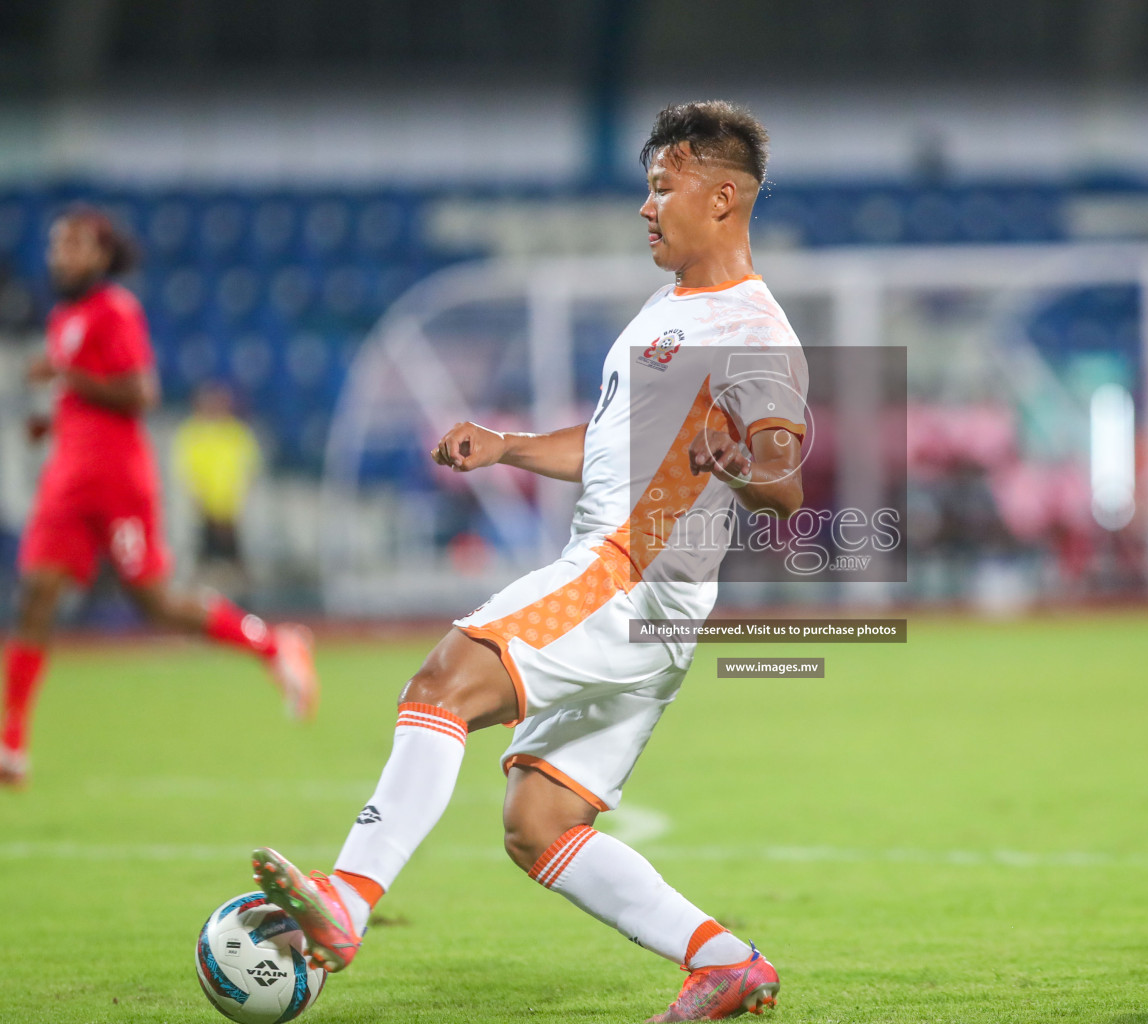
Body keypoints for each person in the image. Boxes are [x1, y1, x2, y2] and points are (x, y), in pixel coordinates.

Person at [250, 101, 806, 1021]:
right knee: (538, 824)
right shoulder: (669, 311)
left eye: (662, 187)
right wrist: (506, 446)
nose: (645, 207)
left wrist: (741, 462)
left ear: (720, 196)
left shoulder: (754, 330)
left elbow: (785, 483)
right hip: (652, 612)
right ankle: (726, 962)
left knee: (442, 685)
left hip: (626, 579)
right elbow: (614, 445)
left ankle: (346, 899)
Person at [0, 207, 318, 789]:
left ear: (101, 254)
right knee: (34, 596)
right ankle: (11, 742)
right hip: (66, 479)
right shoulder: (62, 316)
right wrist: (53, 419)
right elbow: (83, 393)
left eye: (72, 244)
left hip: (117, 480)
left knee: (156, 603)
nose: (58, 255)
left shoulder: (115, 309)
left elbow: (139, 392)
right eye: (54, 244)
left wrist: (68, 378)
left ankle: (274, 644)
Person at [172, 381, 263, 595]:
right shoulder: (192, 433)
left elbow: (248, 468)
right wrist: (199, 498)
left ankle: (248, 601)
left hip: (230, 509)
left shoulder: (237, 433)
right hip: (205, 508)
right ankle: (192, 601)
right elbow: (187, 469)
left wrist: (235, 500)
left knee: (235, 558)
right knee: (202, 558)